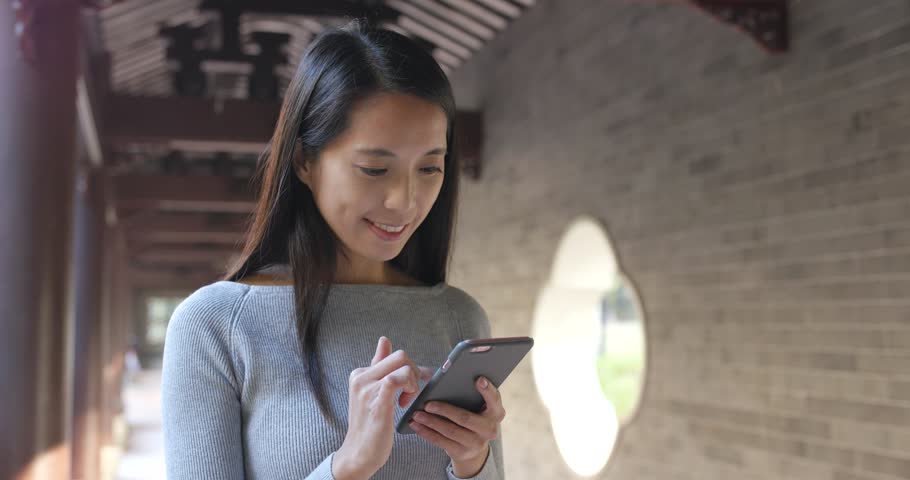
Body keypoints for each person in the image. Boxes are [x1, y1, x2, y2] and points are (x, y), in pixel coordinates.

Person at [161, 20, 505, 480]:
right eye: (374, 168)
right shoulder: (215, 326)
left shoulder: (459, 318)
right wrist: (347, 466)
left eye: (429, 168)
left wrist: (472, 464)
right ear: (304, 160)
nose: (404, 200)